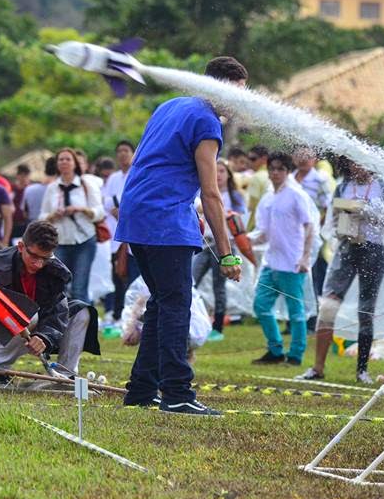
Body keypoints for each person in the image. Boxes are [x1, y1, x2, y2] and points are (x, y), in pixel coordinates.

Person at [115, 56, 246, 416]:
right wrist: (227, 253)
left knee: (161, 303)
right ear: (216, 87)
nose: (240, 102)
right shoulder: (207, 121)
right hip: (163, 218)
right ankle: (177, 392)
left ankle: (142, 389)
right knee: (176, 306)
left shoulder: (170, 105)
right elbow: (211, 192)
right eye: (236, 93)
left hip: (137, 214)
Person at [0, 221, 98, 385]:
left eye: (45, 258)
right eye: (34, 256)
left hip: (27, 329)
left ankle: (64, 375)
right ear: (21, 246)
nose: (38, 264)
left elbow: (56, 312)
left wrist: (44, 337)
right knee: (29, 314)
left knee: (81, 310)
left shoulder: (55, 271)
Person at [298, 158, 384, 384]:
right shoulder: (343, 186)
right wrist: (341, 224)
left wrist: (367, 212)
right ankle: (317, 367)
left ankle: (362, 370)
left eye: (360, 162)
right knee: (328, 306)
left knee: (366, 310)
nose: (357, 167)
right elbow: (332, 220)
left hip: (373, 250)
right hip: (346, 249)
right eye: (353, 163)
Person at [251, 151, 314, 366]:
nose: (275, 173)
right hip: (272, 261)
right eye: (272, 168)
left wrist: (305, 257)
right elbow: (263, 233)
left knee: (296, 313)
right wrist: (241, 240)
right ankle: (275, 350)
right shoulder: (268, 198)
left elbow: (310, 226)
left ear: (288, 172)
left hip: (293, 262)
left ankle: (295, 355)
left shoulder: (297, 194)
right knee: (260, 305)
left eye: (280, 169)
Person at [40, 148, 104, 303]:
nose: (64, 162)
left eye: (68, 159)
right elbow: (41, 216)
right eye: (60, 159)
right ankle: (60, 324)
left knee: (79, 288)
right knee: (59, 287)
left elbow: (99, 212)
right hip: (60, 241)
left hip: (84, 240)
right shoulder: (52, 188)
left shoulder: (86, 185)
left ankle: (83, 325)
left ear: (75, 163)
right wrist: (53, 215)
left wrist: (80, 209)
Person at [193, 159, 246, 341]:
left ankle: (217, 326)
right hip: (205, 244)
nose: (219, 175)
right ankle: (192, 320)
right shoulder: (202, 193)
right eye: (216, 171)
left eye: (223, 171)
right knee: (192, 279)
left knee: (219, 286)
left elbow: (241, 222)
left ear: (229, 175)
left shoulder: (234, 196)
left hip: (224, 245)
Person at [102, 140, 140, 325]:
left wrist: (119, 208)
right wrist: (117, 210)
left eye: (126, 150)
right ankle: (115, 313)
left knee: (132, 277)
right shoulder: (114, 178)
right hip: (114, 233)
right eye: (119, 151)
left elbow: (132, 200)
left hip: (133, 233)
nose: (122, 154)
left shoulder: (138, 172)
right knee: (116, 276)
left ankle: (131, 316)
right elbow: (107, 202)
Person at [291, 145, 334, 299]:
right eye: (299, 155)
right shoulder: (290, 179)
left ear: (314, 160)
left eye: (307, 156)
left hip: (311, 232)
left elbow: (328, 206)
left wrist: (319, 227)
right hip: (292, 232)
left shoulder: (319, 180)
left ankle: (312, 312)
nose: (303, 159)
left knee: (312, 271)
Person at [245, 145, 271, 217]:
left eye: (253, 159)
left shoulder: (256, 177)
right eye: (248, 159)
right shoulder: (274, 175)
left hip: (258, 221)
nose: (249, 162)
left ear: (264, 159)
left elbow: (250, 207)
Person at [10, 164, 33, 240]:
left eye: (26, 175)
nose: (23, 178)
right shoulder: (11, 188)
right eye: (21, 175)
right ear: (17, 176)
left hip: (26, 223)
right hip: (12, 222)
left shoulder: (31, 189)